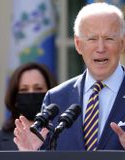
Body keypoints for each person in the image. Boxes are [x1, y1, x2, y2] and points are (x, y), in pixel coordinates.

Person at [13, 2, 125, 151]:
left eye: (109, 38)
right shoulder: (56, 98)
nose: (100, 48)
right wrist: (32, 155)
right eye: (92, 38)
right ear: (78, 44)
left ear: (122, 44)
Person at [0, 62, 57, 150]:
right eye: (24, 89)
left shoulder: (66, 137)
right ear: (14, 96)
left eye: (38, 88)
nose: (31, 94)